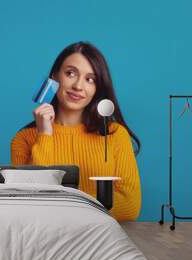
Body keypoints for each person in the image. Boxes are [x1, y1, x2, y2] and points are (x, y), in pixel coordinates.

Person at [10, 41, 141, 221]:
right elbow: (33, 203)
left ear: (97, 88)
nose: (78, 86)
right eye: (70, 73)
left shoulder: (115, 135)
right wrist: (45, 136)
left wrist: (62, 205)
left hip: (99, 240)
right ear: (55, 78)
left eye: (90, 79)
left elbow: (129, 206)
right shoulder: (24, 139)